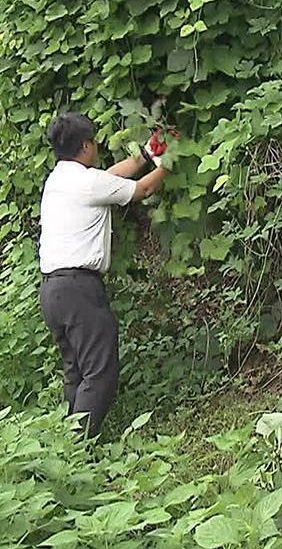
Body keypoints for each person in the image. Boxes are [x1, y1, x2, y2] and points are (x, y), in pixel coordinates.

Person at [38, 112, 173, 439]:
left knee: (77, 373)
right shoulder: (86, 183)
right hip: (79, 289)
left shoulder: (60, 179)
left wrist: (145, 154)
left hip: (52, 291)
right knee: (100, 372)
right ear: (86, 146)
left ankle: (67, 446)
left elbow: (110, 177)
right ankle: (78, 449)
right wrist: (167, 162)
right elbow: (140, 191)